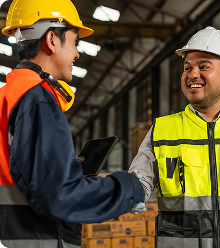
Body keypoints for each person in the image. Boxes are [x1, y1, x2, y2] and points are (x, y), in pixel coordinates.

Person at [0, 0, 144, 247]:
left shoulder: (9, 95)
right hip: (32, 238)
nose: (77, 53)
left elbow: (23, 174)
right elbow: (60, 196)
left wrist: (62, 166)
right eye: (75, 41)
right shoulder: (37, 99)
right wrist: (130, 187)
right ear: (52, 40)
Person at [129, 26, 220, 248]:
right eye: (187, 68)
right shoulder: (162, 130)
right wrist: (131, 192)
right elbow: (140, 181)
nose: (192, 74)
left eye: (203, 66)